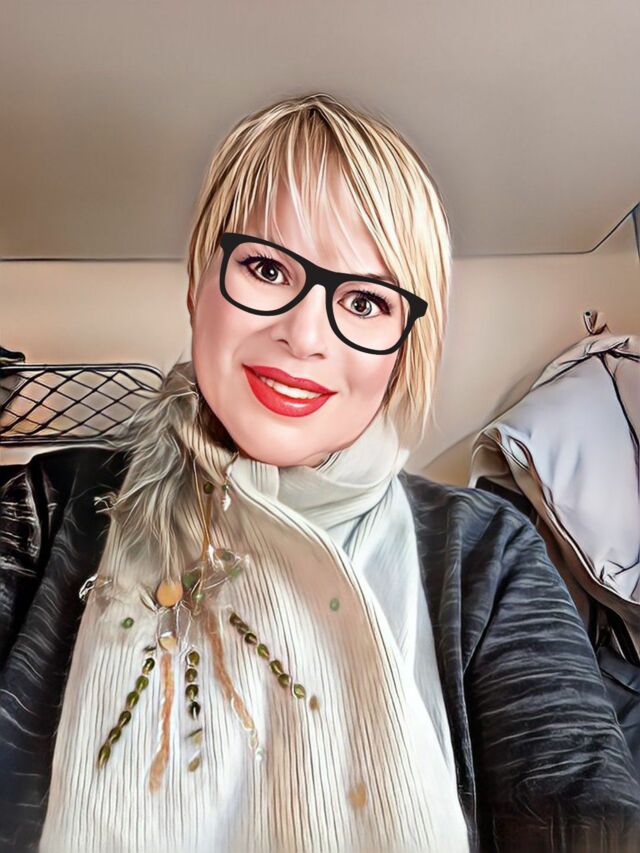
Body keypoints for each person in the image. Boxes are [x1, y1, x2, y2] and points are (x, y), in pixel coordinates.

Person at [1, 92, 639, 853]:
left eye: (365, 301)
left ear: (402, 351)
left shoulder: (486, 554)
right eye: (267, 267)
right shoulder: (49, 511)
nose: (304, 334)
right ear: (199, 284)